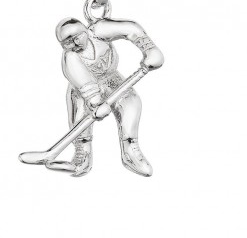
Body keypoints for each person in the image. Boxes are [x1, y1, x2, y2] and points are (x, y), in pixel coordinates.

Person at [45, 17, 164, 177]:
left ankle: (130, 150)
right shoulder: (70, 57)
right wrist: (95, 103)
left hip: (112, 79)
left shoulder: (99, 30)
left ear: (85, 30)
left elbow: (131, 29)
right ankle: (82, 158)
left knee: (131, 103)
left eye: (77, 37)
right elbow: (84, 83)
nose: (75, 44)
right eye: (68, 42)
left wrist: (149, 48)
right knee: (80, 120)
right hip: (82, 92)